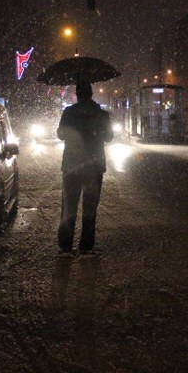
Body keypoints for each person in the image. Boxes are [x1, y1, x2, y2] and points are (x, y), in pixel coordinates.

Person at [56, 81, 114, 257]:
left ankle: (66, 247)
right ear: (91, 94)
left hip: (72, 166)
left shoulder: (69, 112)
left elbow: (60, 134)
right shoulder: (101, 114)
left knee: (69, 206)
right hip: (94, 167)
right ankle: (86, 247)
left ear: (77, 94)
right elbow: (109, 137)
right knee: (90, 208)